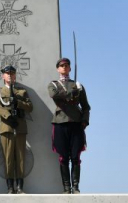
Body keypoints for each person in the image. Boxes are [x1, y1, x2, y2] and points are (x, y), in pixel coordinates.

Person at [48, 57, 91, 194]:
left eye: (67, 65)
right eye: (61, 65)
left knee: (76, 157)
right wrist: (69, 93)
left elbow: (86, 106)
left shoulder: (78, 86)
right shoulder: (53, 84)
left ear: (70, 68)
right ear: (58, 69)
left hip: (76, 123)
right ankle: (66, 188)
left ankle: (75, 187)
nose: (64, 67)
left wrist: (84, 121)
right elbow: (54, 95)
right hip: (60, 122)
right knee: (63, 156)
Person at [0, 65, 33, 194]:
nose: (10, 75)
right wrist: (8, 116)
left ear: (15, 75)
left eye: (12, 73)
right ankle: (10, 187)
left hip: (20, 127)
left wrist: (18, 102)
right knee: (8, 158)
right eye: (7, 73)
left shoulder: (22, 92)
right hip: (7, 127)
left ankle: (20, 187)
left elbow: (30, 107)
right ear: (3, 76)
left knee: (20, 158)